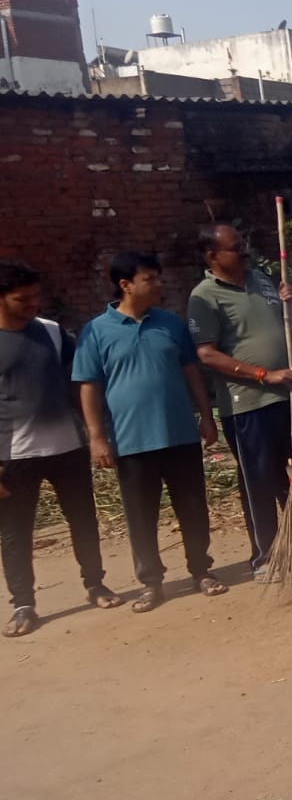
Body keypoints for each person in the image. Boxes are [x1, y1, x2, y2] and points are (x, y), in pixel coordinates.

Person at [74, 251, 225, 612]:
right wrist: (96, 437)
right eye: (150, 279)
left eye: (158, 277)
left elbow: (191, 373)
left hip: (179, 435)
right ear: (125, 285)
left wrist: (206, 416)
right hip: (131, 441)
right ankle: (151, 582)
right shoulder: (96, 331)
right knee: (141, 517)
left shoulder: (170, 323)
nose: (159, 284)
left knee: (193, 507)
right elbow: (89, 386)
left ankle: (201, 570)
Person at [1, 261, 121, 637]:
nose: (33, 304)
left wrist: (95, 434)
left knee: (83, 520)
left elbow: (80, 383)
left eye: (36, 296)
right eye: (22, 299)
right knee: (15, 532)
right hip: (13, 457)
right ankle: (23, 604)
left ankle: (95, 584)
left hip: (68, 447)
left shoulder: (53, 332)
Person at [188, 223, 292, 579]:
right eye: (235, 247)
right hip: (248, 404)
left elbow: (285, 329)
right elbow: (207, 354)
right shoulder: (204, 296)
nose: (244, 251)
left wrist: (290, 306)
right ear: (212, 255)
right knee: (259, 480)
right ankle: (266, 555)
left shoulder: (262, 280)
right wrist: (262, 374)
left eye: (243, 244)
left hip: (290, 394)